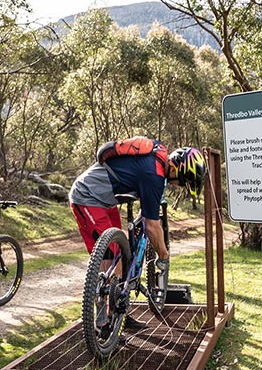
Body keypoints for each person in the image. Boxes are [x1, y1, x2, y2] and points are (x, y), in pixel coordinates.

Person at [69, 141, 206, 329]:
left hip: (105, 201)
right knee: (109, 258)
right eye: (181, 180)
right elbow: (151, 226)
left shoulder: (159, 154)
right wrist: (164, 255)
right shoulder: (154, 175)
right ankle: (102, 320)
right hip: (87, 197)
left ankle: (117, 312)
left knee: (118, 253)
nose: (178, 185)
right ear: (175, 168)